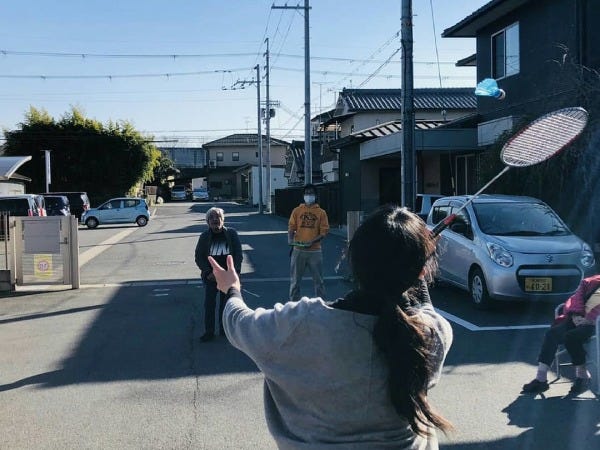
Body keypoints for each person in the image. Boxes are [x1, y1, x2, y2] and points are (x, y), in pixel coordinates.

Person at [209, 205, 453, 448]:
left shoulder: (301, 323)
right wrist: (416, 258)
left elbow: (237, 322)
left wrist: (231, 288)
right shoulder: (431, 333)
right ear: (420, 270)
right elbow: (425, 307)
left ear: (353, 259)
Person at [522, 274, 600, 396]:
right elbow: (576, 299)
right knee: (552, 334)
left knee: (571, 337)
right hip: (578, 318)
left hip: (596, 325)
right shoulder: (590, 282)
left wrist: (592, 321)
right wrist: (575, 315)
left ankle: (583, 375)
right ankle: (541, 378)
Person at [194, 207, 243, 342]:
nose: (215, 219)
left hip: (227, 277)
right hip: (211, 277)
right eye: (212, 217)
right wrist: (208, 272)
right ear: (207, 221)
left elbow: (238, 254)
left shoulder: (231, 234)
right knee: (209, 304)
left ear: (223, 220)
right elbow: (199, 257)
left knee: (225, 305)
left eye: (218, 217)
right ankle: (209, 331)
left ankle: (224, 329)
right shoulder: (204, 236)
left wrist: (234, 272)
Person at [288, 183, 329, 302]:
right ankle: (294, 305)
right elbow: (291, 227)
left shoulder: (321, 212)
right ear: (303, 195)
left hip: (315, 251)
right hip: (298, 250)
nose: (308, 195)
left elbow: (324, 232)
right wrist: (290, 239)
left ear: (315, 195)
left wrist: (312, 241)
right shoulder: (297, 210)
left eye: (311, 193)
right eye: (306, 193)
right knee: (295, 281)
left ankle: (321, 305)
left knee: (319, 281)